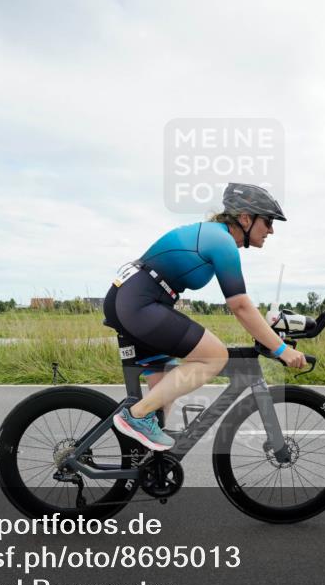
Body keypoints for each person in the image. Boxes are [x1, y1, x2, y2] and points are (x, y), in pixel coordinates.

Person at [102, 183, 307, 451]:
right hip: (140, 303)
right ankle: (136, 417)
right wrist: (280, 349)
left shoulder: (214, 236)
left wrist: (266, 330)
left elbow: (244, 307)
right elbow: (240, 306)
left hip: (131, 298)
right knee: (214, 356)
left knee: (162, 392)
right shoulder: (221, 241)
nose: (271, 230)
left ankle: (146, 465)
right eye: (267, 221)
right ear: (245, 218)